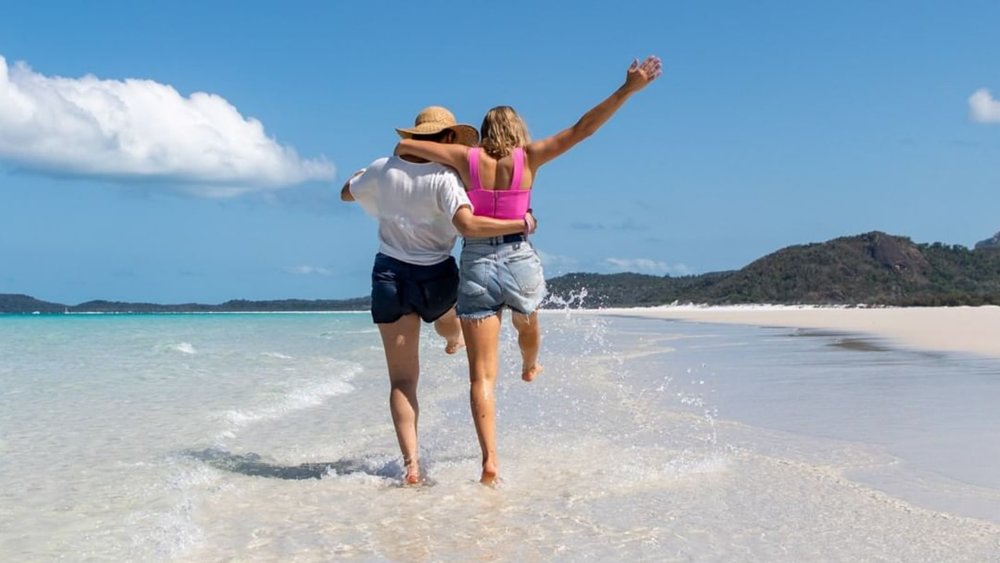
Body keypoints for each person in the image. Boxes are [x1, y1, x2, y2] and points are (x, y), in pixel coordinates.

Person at [394, 56, 663, 484]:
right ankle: (530, 362)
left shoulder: (466, 158)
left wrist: (429, 156)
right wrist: (627, 90)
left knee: (481, 376)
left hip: (477, 261)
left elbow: (407, 147)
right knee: (528, 319)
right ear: (518, 130)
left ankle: (490, 462)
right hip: (519, 257)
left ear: (483, 133)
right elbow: (583, 129)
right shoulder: (531, 156)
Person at [340, 106, 535, 485]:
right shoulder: (446, 178)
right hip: (436, 276)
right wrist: (520, 223)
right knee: (448, 324)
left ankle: (412, 465)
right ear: (446, 141)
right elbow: (467, 225)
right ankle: (451, 339)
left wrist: (364, 177)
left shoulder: (382, 169)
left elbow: (347, 193)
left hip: (389, 275)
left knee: (401, 382)